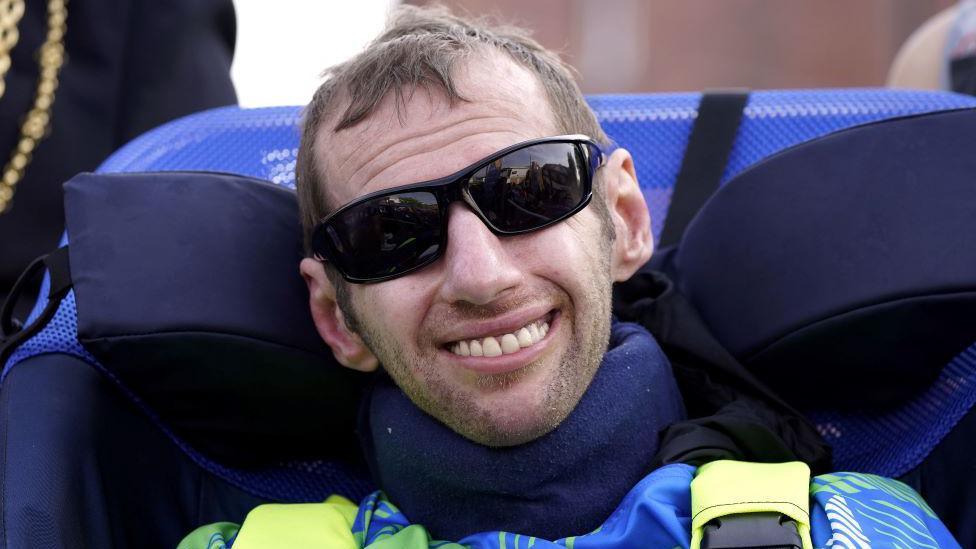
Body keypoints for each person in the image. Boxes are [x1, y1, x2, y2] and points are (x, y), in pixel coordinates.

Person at [179, 6, 959, 548]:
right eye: (393, 232)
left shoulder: (847, 527)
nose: (479, 275)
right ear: (337, 317)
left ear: (622, 219)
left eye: (529, 190)